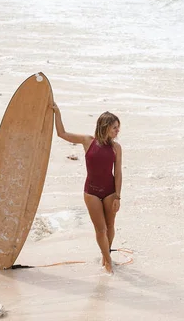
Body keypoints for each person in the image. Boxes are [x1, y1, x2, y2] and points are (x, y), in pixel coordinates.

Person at [51, 102, 122, 274]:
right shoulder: (87, 141)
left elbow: (118, 173)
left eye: (118, 128)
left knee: (110, 226)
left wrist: (118, 197)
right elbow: (62, 134)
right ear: (105, 126)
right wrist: (57, 112)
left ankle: (106, 255)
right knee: (100, 229)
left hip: (110, 191)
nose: (117, 131)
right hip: (91, 192)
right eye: (114, 128)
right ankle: (108, 262)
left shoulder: (116, 147)